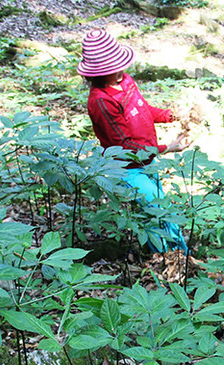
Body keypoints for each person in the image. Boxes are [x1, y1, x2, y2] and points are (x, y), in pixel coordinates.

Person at [78, 29, 189, 253]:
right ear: (97, 73)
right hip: (128, 169)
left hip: (148, 160)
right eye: (111, 69)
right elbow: (124, 146)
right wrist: (166, 148)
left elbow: (142, 108)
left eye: (119, 65)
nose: (119, 71)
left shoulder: (126, 81)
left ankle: (172, 257)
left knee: (155, 212)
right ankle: (174, 259)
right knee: (160, 209)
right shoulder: (101, 101)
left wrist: (170, 115)